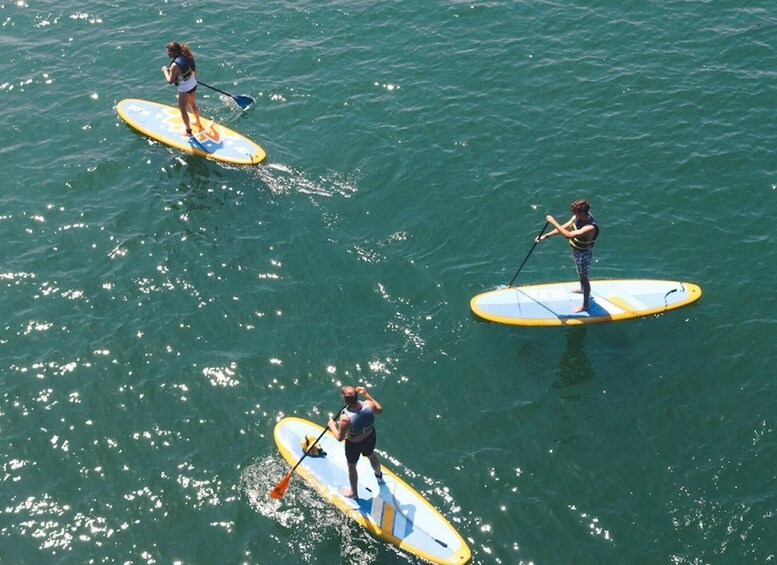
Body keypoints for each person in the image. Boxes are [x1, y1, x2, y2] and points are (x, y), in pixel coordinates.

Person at [535, 198, 600, 312]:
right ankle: (582, 289)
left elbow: (568, 235)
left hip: (583, 254)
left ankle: (585, 305)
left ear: (581, 213)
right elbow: (564, 227)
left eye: (575, 213)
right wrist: (546, 235)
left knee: (584, 277)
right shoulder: (577, 217)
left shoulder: (590, 227)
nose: (573, 215)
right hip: (576, 250)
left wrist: (553, 221)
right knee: (580, 273)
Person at [327, 385, 383, 499]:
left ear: (345, 400)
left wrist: (332, 426)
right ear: (357, 396)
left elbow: (339, 438)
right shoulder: (369, 404)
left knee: (352, 466)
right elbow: (379, 410)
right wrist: (366, 394)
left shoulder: (345, 418)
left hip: (354, 444)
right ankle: (379, 476)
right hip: (370, 437)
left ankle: (354, 493)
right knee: (371, 455)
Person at [161, 41, 204, 136]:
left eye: (169, 52)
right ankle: (198, 122)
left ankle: (188, 131)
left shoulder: (174, 65)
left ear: (174, 52)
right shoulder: (186, 56)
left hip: (184, 88)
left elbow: (170, 81)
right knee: (192, 104)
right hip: (193, 83)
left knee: (183, 109)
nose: (168, 54)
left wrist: (165, 71)